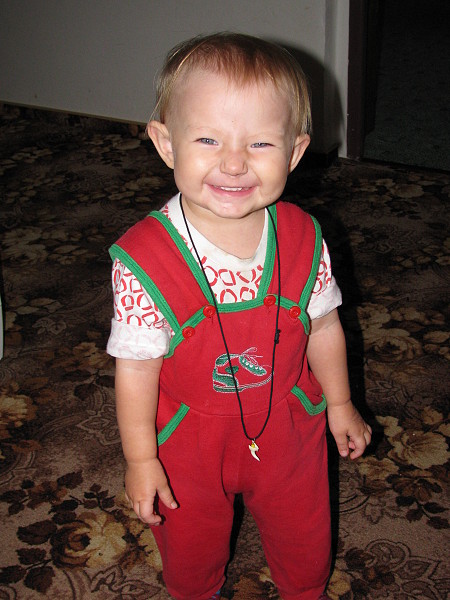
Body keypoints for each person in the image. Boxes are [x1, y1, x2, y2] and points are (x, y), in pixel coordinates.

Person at [107, 32, 372, 600]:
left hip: (288, 425)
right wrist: (141, 457)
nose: (233, 163)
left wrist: (340, 403)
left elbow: (324, 326)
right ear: (166, 144)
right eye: (207, 139)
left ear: (295, 153)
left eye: (260, 143)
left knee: (305, 534)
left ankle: (304, 589)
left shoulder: (304, 237)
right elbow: (135, 368)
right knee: (190, 544)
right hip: (188, 441)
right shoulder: (144, 261)